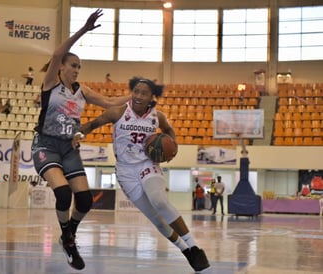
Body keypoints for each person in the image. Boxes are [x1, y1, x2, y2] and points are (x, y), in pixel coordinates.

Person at [71, 76, 210, 272]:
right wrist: (79, 134)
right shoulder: (118, 112)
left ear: (151, 97)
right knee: (157, 220)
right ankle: (185, 251)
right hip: (126, 172)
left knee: (159, 201)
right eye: (135, 91)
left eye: (143, 93)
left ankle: (194, 247)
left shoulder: (157, 116)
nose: (138, 96)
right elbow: (93, 124)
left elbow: (169, 129)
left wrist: (174, 145)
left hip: (147, 164)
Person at [31, 9, 130, 270]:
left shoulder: (82, 90)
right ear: (62, 67)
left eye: (79, 67)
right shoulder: (51, 83)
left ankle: (68, 235)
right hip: (46, 145)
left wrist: (137, 97)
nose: (76, 70)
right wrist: (84, 31)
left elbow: (109, 102)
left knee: (84, 200)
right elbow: (54, 54)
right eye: (73, 65)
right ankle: (68, 236)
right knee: (63, 194)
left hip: (70, 147)